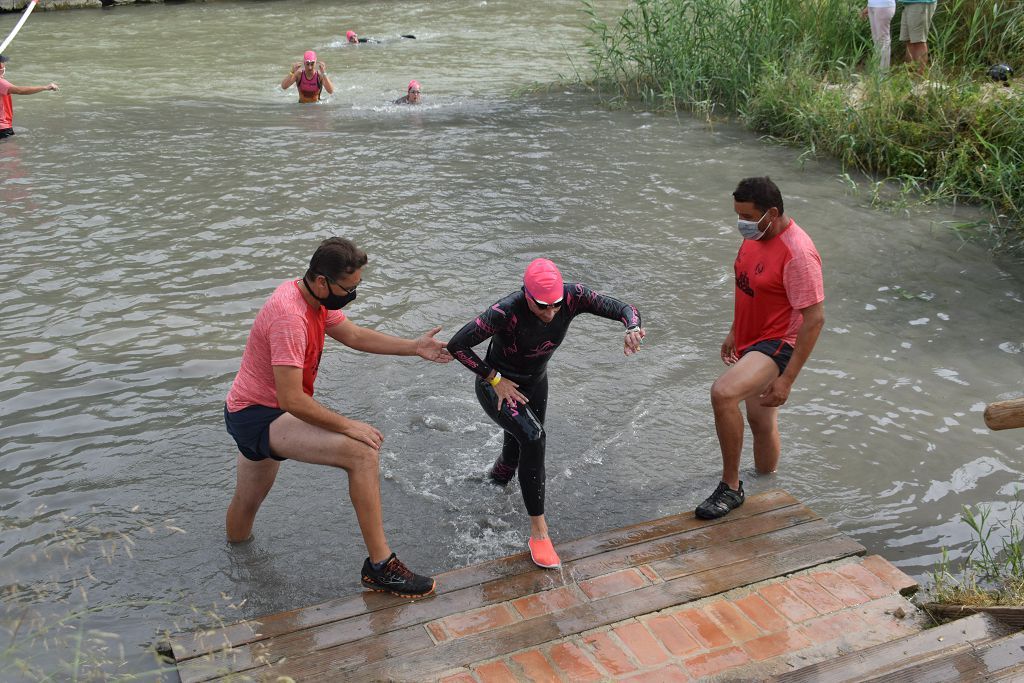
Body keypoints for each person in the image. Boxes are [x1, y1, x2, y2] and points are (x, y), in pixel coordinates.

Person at [223, 237, 452, 597]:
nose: (353, 294)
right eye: (349, 288)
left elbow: (355, 335)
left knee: (247, 503)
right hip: (259, 415)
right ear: (321, 281)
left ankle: (232, 570)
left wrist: (415, 347)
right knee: (361, 452)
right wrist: (350, 425)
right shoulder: (290, 317)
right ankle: (380, 567)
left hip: (246, 407)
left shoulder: (312, 298)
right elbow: (292, 399)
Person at [446, 259, 645, 569]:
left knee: (518, 445)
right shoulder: (505, 311)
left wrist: (631, 327)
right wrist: (495, 380)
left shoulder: (574, 296)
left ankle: (494, 487)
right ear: (526, 295)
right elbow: (457, 345)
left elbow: (624, 308)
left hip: (536, 383)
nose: (551, 314)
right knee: (534, 437)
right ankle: (539, 531)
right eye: (542, 307)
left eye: (555, 307)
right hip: (499, 387)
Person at [696, 177, 824, 520]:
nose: (742, 224)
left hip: (780, 342)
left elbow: (814, 319)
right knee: (759, 419)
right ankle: (768, 487)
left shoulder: (798, 253)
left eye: (748, 217)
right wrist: (735, 331)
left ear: (772, 212)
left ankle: (731, 487)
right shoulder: (754, 237)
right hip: (752, 337)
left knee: (723, 394)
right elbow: (748, 284)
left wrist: (787, 379)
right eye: (738, 215)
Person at [0, 54, 59, 140]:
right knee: (9, 152)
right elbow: (20, 90)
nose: (4, 65)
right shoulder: (1, 83)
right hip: (2, 128)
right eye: (2, 63)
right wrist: (45, 87)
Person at [898, 0, 937, 73]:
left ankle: (919, 78)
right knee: (909, 41)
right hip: (908, 3)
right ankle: (910, 76)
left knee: (919, 41)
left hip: (920, 3)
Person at [860, 0, 896, 70]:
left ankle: (883, 73)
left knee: (883, 41)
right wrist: (869, 6)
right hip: (872, 5)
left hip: (884, 5)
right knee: (876, 40)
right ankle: (876, 71)